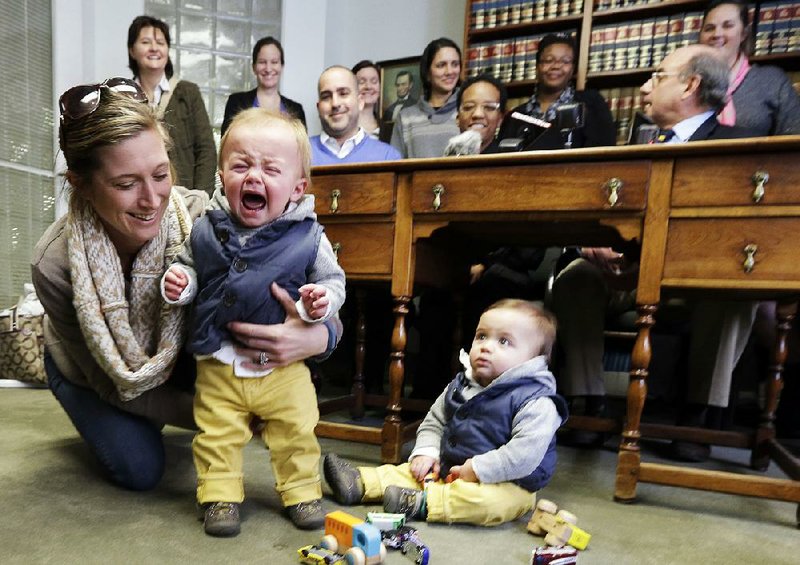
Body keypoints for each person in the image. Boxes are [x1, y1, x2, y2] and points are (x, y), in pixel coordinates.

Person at [31, 78, 341, 495]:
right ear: (81, 184)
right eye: (126, 184)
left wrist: (315, 337)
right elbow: (111, 381)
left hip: (178, 354)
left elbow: (322, 287)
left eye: (161, 174)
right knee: (139, 469)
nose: (152, 199)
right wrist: (227, 411)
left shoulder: (203, 218)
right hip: (94, 371)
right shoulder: (53, 264)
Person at [551, 45, 758, 459]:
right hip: (624, 272)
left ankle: (701, 416)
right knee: (575, 276)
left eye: (658, 76)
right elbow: (593, 211)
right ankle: (588, 402)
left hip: (693, 276)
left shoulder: (738, 146)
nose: (646, 86)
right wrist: (589, 243)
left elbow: (741, 231)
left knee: (734, 291)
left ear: (690, 85)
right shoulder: (635, 144)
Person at [160, 109, 346, 535]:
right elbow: (189, 267)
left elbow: (333, 280)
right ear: (222, 175)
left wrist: (321, 301)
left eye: (271, 169)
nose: (254, 177)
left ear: (297, 187)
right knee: (215, 435)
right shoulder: (205, 228)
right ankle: (219, 494)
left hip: (284, 371)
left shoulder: (309, 236)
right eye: (241, 165)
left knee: (297, 430)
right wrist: (180, 284)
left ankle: (302, 491)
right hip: (219, 362)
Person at [323, 299, 568, 526]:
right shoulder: (462, 384)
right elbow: (434, 421)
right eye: (481, 336)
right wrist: (426, 453)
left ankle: (422, 503)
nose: (486, 347)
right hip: (450, 468)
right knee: (408, 471)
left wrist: (477, 470)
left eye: (504, 341)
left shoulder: (537, 401)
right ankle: (359, 483)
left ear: (534, 360)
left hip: (509, 482)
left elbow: (523, 456)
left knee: (492, 503)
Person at [127, 15, 216, 195]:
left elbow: (206, 150)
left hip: (184, 197)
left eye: (160, 42)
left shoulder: (188, 92)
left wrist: (200, 197)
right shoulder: (124, 97)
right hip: (139, 197)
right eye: (145, 42)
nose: (154, 48)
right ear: (132, 50)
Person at [496, 33, 616, 150]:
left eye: (565, 61)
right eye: (548, 60)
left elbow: (602, 153)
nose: (556, 66)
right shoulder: (515, 117)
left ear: (573, 68)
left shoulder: (591, 104)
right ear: (537, 66)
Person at [698, 0, 800, 136]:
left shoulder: (772, 81)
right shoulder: (687, 83)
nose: (717, 34)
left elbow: (793, 137)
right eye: (709, 28)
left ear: (744, 33)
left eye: (728, 26)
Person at [310, 66, 401, 165]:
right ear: (318, 108)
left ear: (360, 102)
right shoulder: (298, 153)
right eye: (326, 97)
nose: (335, 104)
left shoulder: (388, 157)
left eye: (343, 93)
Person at [390, 37, 462, 158]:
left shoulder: (468, 110)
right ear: (428, 73)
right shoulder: (406, 117)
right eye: (441, 65)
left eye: (455, 64)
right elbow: (394, 163)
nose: (450, 71)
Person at [221, 36, 307, 135]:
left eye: (274, 62)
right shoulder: (236, 103)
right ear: (254, 67)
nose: (268, 69)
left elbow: (302, 148)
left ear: (281, 66)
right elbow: (227, 144)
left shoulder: (297, 110)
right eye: (262, 62)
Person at [352, 60, 382, 138]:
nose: (368, 86)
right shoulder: (344, 125)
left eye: (374, 81)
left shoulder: (388, 129)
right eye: (361, 82)